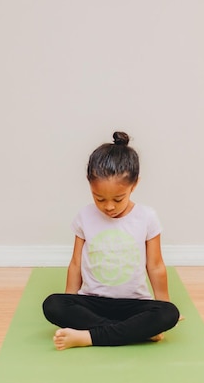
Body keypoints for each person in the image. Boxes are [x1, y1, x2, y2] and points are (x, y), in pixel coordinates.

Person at [42, 131, 180, 350]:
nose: (108, 206)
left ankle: (89, 336)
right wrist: (70, 301)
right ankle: (133, 332)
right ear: (90, 186)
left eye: (118, 199)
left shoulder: (147, 217)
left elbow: (155, 265)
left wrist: (163, 302)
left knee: (169, 313)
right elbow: (76, 263)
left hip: (135, 304)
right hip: (93, 302)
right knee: (53, 304)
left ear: (134, 185)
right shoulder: (84, 217)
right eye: (99, 198)